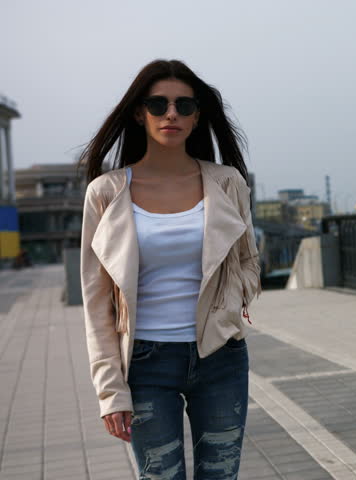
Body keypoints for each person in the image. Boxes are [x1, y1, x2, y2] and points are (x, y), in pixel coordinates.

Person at [78, 59, 260, 479]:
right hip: (145, 362)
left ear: (198, 117)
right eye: (158, 104)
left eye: (183, 105)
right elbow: (95, 302)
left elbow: (249, 262)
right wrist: (110, 392)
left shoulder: (227, 182)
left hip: (221, 357)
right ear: (140, 113)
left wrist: (231, 299)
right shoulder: (106, 193)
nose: (171, 114)